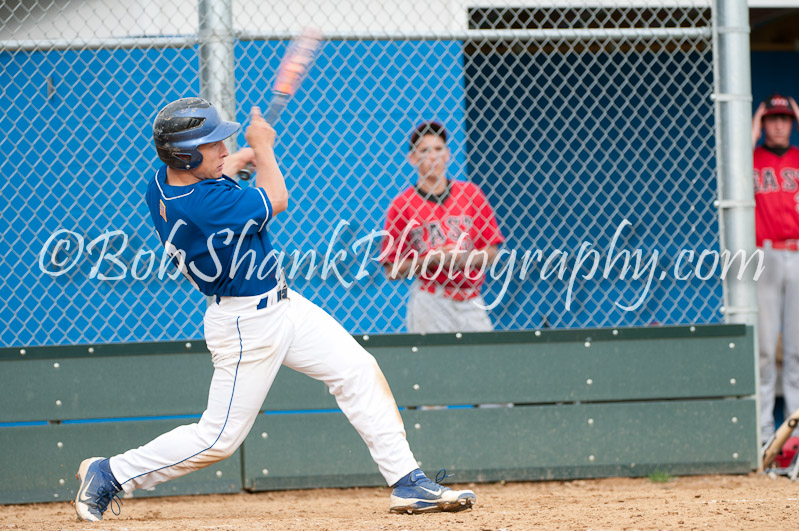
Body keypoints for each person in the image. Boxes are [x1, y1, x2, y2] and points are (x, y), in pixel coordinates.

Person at [74, 97, 475, 521]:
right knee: (219, 439)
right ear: (185, 155)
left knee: (357, 370)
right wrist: (264, 148)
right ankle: (111, 473)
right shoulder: (205, 205)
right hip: (247, 322)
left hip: (283, 304)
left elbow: (216, 177)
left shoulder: (164, 181)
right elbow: (277, 197)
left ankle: (407, 481)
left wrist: (238, 159)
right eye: (213, 145)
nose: (224, 150)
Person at [381, 121, 504, 334]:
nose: (433, 156)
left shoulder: (471, 194)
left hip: (471, 298)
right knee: (432, 355)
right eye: (425, 151)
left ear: (447, 155)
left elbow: (492, 250)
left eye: (438, 149)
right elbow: (392, 270)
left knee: (485, 353)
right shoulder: (402, 205)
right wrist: (430, 260)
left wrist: (464, 258)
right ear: (412, 158)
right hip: (431, 298)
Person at [751, 93, 799, 442]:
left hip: (797, 252)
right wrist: (752, 130)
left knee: (797, 350)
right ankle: (765, 433)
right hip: (764, 254)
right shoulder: (751, 159)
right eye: (772, 118)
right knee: (765, 350)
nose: (779, 125)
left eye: (785, 118)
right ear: (764, 123)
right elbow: (730, 160)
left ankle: (794, 434)